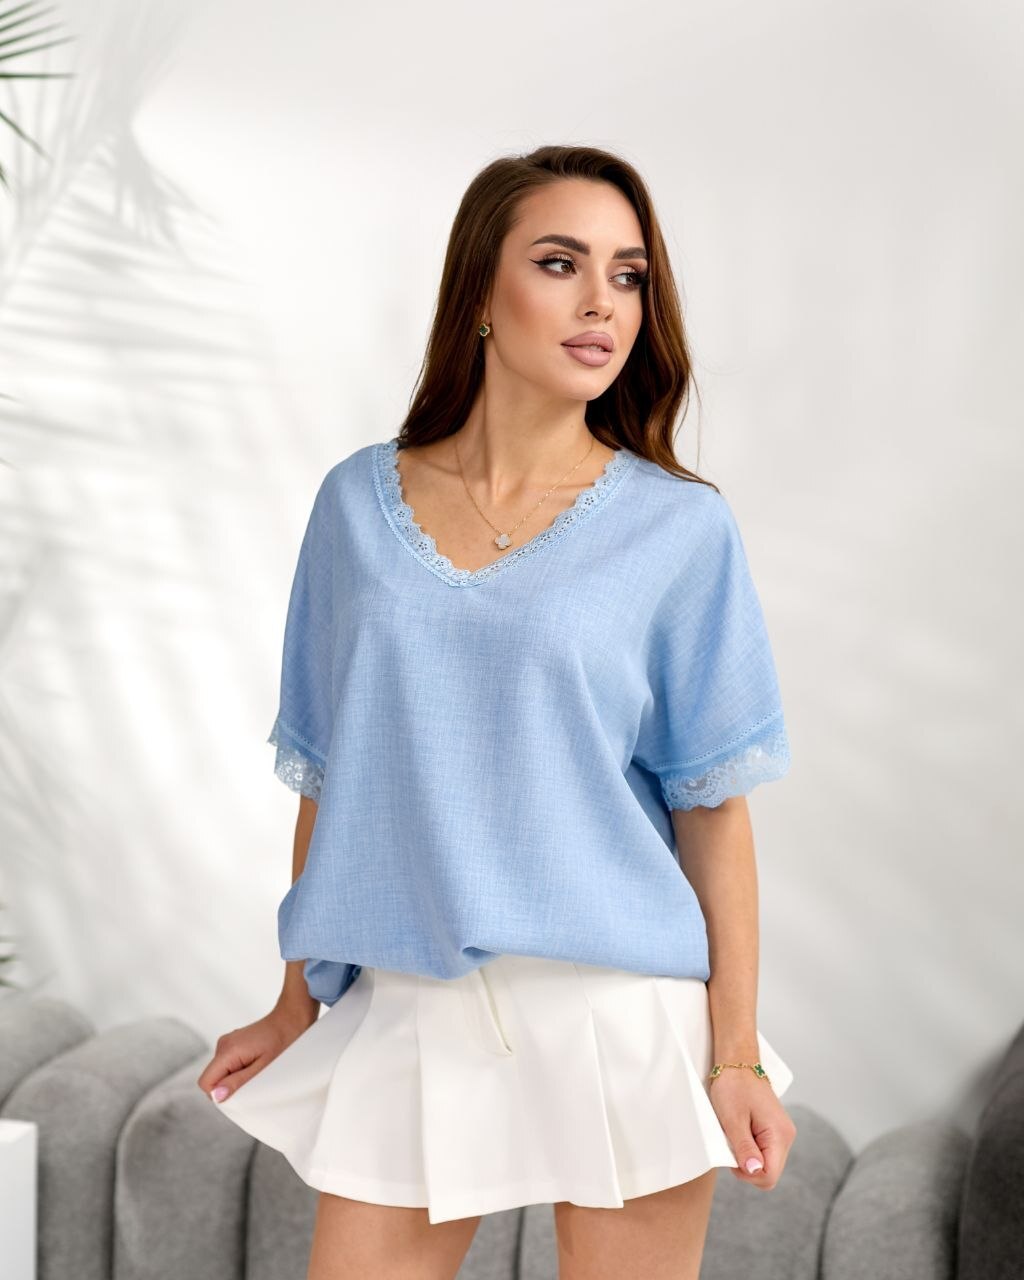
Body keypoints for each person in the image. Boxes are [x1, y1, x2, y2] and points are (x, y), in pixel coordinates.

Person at [197, 143, 798, 1280]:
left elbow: (713, 809)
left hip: (622, 1012)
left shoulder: (679, 530)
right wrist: (292, 1000)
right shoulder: (355, 506)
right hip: (412, 1007)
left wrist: (735, 1058)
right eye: (561, 263)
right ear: (480, 289)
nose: (601, 302)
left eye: (628, 275)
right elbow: (331, 775)